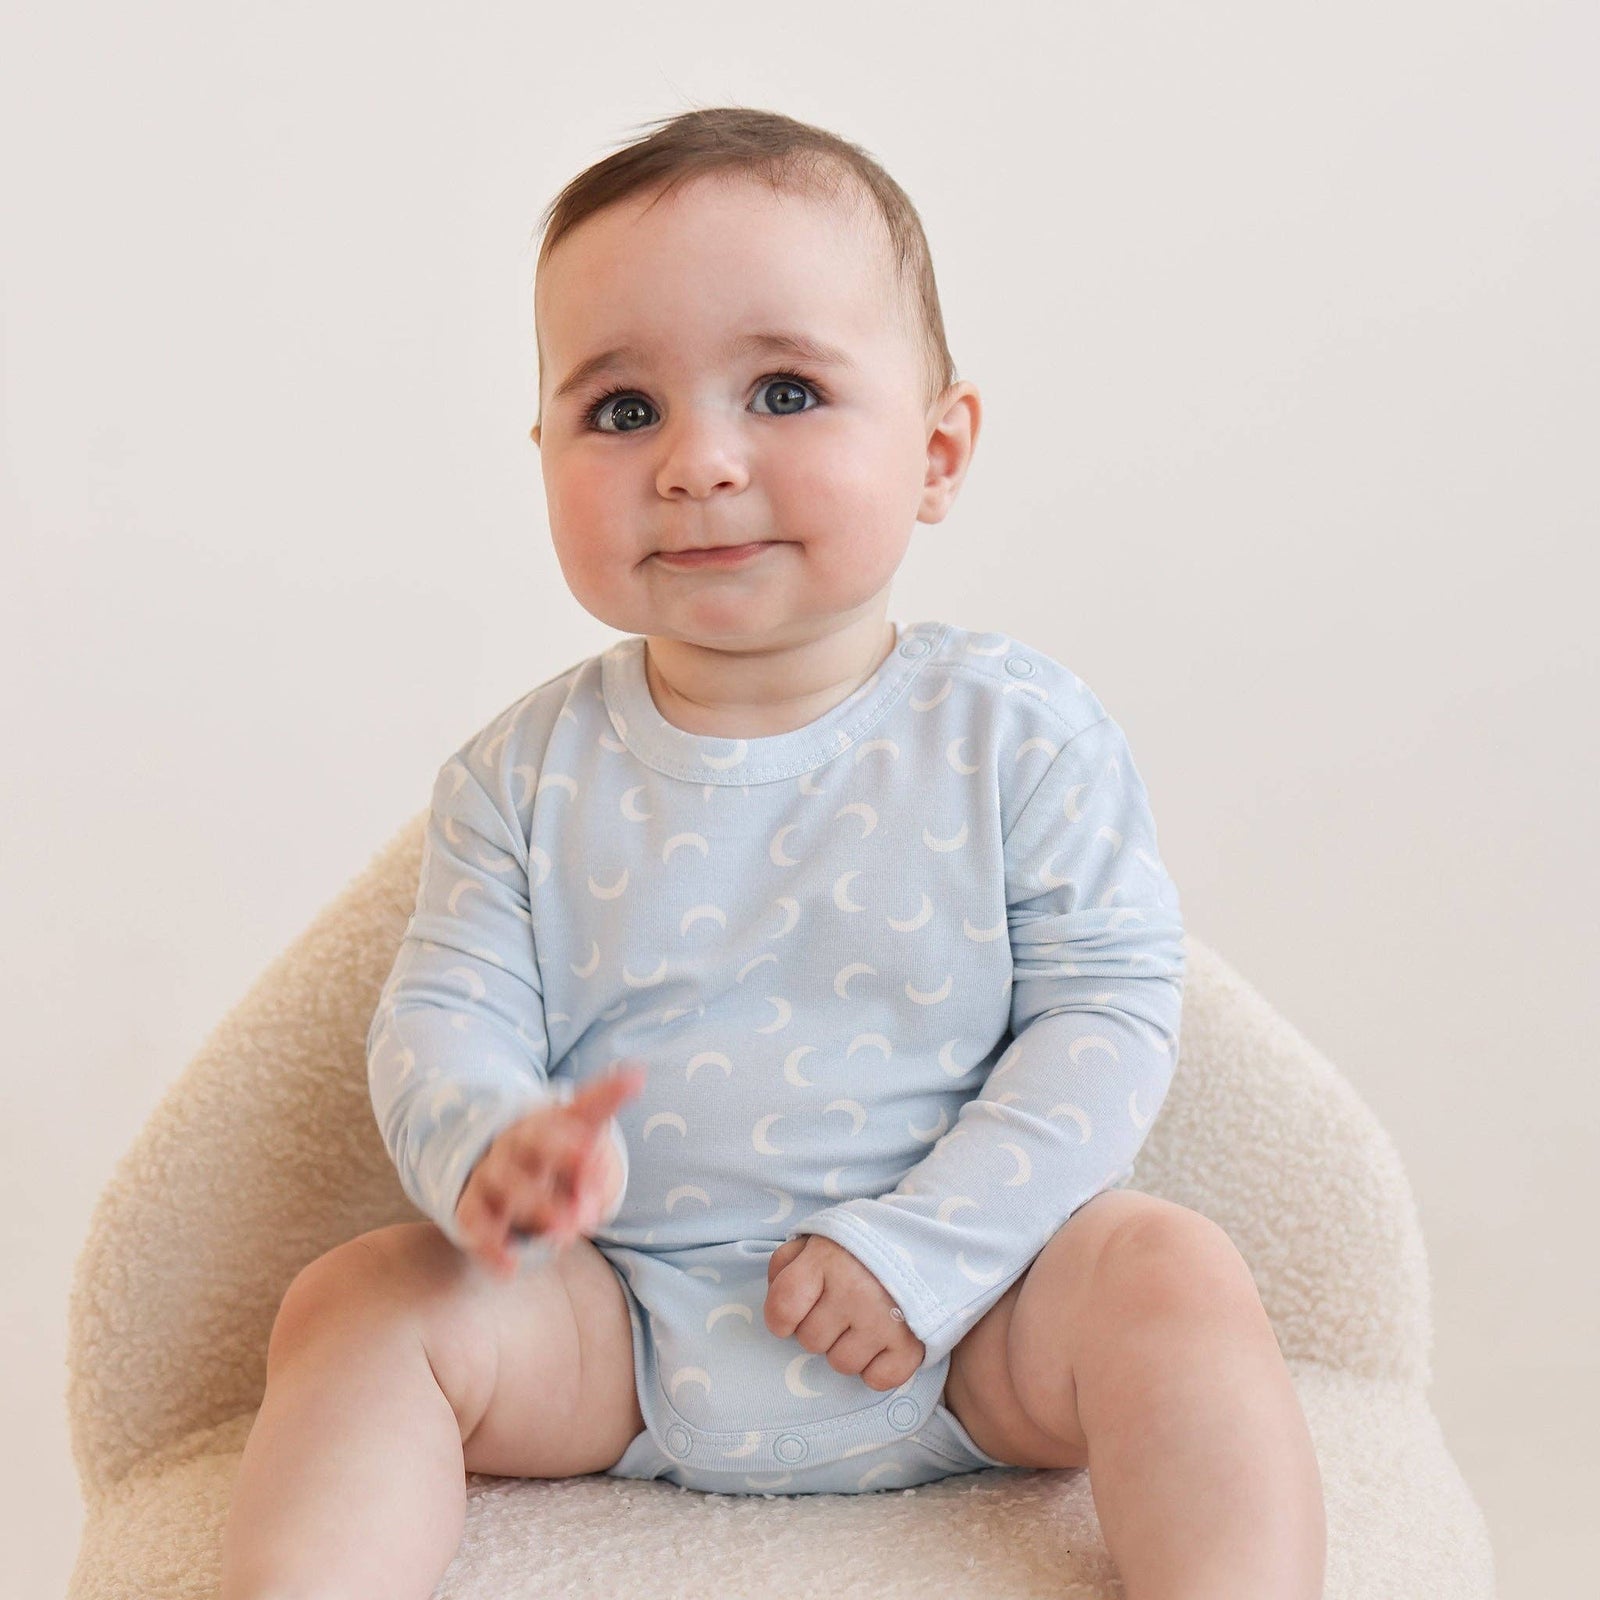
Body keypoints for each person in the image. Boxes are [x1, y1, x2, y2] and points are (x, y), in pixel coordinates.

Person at [220, 105, 1325, 1600]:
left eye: (786, 388)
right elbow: (442, 1017)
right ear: (541, 448)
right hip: (619, 1326)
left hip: (976, 1328)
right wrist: (493, 1145)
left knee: (1173, 1275)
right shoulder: (519, 778)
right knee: (355, 1303)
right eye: (622, 411)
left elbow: (1106, 1020)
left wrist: (929, 1253)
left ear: (938, 451)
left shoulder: (1016, 736)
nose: (698, 462)